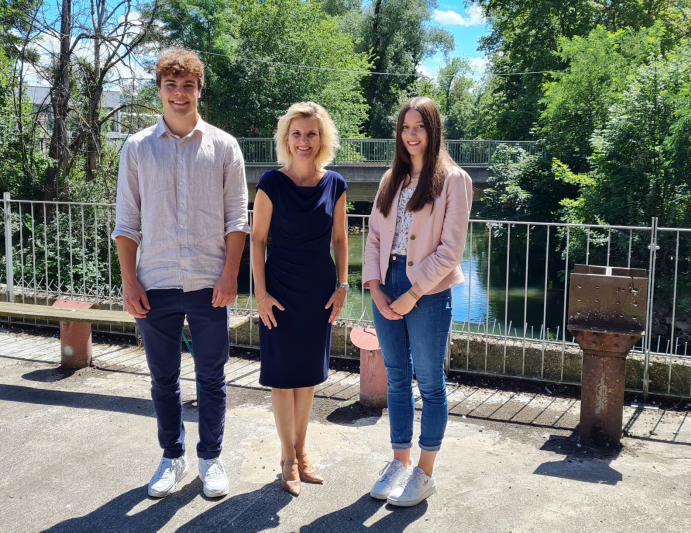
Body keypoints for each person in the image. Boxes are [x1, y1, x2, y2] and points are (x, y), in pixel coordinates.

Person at [112, 49, 250, 499]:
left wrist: (230, 275)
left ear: (198, 91)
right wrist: (129, 281)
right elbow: (126, 222)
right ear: (159, 90)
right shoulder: (136, 148)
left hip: (210, 283)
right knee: (162, 379)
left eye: (187, 85)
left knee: (212, 378)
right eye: (171, 85)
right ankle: (172, 456)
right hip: (155, 283)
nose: (178, 93)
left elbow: (237, 219)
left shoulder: (225, 146)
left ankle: (211, 458)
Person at [364, 97, 471, 507]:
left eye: (419, 126)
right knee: (395, 375)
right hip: (386, 282)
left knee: (429, 382)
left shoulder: (453, 180)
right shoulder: (391, 177)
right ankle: (398, 462)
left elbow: (451, 250)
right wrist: (374, 285)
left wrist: (412, 293)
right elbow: (375, 236)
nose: (411, 134)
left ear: (433, 129)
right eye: (406, 127)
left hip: (426, 288)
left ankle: (425, 472)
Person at [251, 102, 348, 496]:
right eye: (296, 134)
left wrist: (342, 286)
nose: (303, 141)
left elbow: (340, 240)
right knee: (282, 378)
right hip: (279, 291)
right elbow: (257, 240)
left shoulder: (336, 183)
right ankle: (286, 460)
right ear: (286, 139)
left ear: (322, 138)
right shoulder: (271, 183)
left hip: (319, 291)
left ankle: (304, 452)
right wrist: (260, 293)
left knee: (307, 378)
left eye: (311, 133)